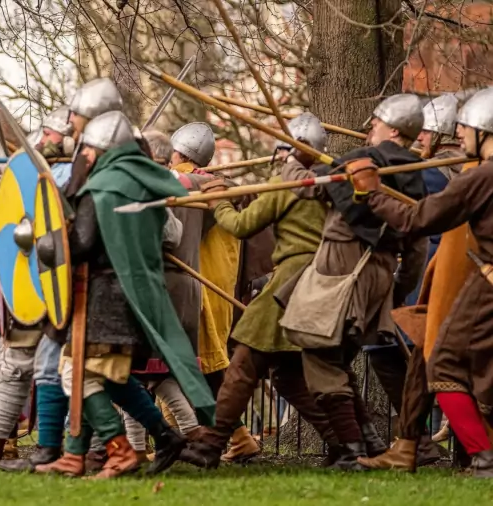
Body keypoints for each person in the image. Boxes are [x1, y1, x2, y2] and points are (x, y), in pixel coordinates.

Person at [0, 81, 127, 466]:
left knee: (71, 369)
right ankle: (1, 442)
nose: (40, 139)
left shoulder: (86, 168)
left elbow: (65, 225)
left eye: (49, 132)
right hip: (39, 281)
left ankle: (89, 449)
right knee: (22, 362)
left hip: (71, 283)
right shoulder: (67, 166)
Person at [34, 111, 208, 478]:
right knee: (109, 377)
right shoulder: (140, 180)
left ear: (98, 150)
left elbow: (81, 245)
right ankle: (83, 451)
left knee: (76, 375)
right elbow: (168, 235)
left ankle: (120, 449)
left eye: (89, 148)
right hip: (123, 291)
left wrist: (50, 239)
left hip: (107, 296)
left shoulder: (105, 185)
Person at [178, 113, 340, 468]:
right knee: (290, 375)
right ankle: (346, 444)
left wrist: (217, 198)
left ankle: (213, 444)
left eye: (283, 150)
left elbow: (241, 225)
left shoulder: (285, 184)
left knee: (242, 363)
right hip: (316, 279)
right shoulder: (328, 184)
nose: (278, 157)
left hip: (291, 280)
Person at [277, 94, 429, 470]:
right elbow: (416, 246)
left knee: (319, 353)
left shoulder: (364, 162)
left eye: (375, 122)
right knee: (340, 356)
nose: (368, 128)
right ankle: (367, 441)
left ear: (393, 129)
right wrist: (394, 290)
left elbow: (308, 186)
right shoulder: (415, 175)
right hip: (379, 273)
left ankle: (349, 448)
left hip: (342, 266)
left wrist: (293, 160)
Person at [354, 86, 493, 478]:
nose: (460, 134)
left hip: (486, 285)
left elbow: (417, 221)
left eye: (465, 128)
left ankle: (485, 456)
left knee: (444, 365)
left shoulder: (480, 177)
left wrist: (373, 193)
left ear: (484, 131)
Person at [168, 122, 257, 459]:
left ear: (177, 154)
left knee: (207, 366)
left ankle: (237, 438)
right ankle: (190, 435)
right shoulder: (223, 186)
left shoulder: (189, 185)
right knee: (191, 364)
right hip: (219, 286)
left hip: (199, 285)